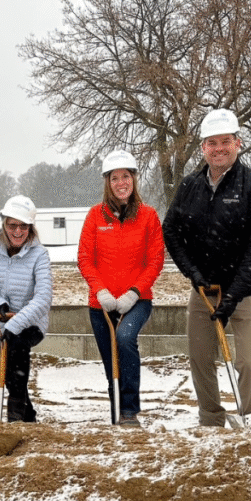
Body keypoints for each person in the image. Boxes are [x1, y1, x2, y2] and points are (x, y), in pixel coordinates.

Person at [162, 108, 251, 427]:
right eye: (212, 143)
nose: (219, 148)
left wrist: (233, 296)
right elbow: (170, 230)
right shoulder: (189, 187)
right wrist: (194, 274)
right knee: (200, 358)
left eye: (226, 141)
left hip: (248, 291)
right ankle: (211, 419)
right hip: (204, 290)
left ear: (238, 143)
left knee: (250, 362)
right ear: (203, 148)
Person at [77, 149, 165, 426]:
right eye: (115, 178)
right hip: (100, 303)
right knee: (109, 359)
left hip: (136, 300)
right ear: (108, 182)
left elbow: (155, 260)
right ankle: (116, 410)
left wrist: (134, 292)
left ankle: (129, 411)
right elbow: (84, 258)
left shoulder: (148, 216)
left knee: (125, 339)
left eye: (125, 176)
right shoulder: (95, 216)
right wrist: (101, 291)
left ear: (133, 179)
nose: (121, 183)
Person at [0, 195, 53, 422]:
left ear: (30, 227)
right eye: (12, 225)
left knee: (17, 351)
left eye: (23, 226)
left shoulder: (39, 254)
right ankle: (28, 415)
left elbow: (43, 297)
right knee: (10, 376)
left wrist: (17, 323)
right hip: (1, 321)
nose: (18, 231)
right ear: (4, 224)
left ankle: (15, 418)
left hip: (31, 321)